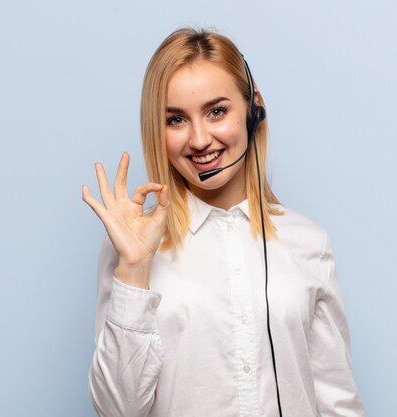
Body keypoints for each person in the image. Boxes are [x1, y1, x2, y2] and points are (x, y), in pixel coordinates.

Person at [82, 27, 364, 417]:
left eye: (217, 111)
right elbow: (118, 410)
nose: (199, 140)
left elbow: (337, 400)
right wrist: (134, 268)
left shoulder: (308, 242)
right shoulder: (131, 248)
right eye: (176, 119)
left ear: (252, 111)